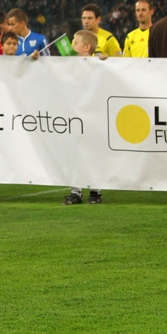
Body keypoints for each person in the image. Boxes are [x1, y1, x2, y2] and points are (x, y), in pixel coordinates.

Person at [63, 30, 104, 205]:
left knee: (94, 152)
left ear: (86, 47)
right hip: (74, 115)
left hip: (94, 115)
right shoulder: (67, 65)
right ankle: (76, 192)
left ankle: (95, 191)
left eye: (75, 42)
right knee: (75, 152)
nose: (71, 45)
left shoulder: (99, 64)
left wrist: (105, 60)